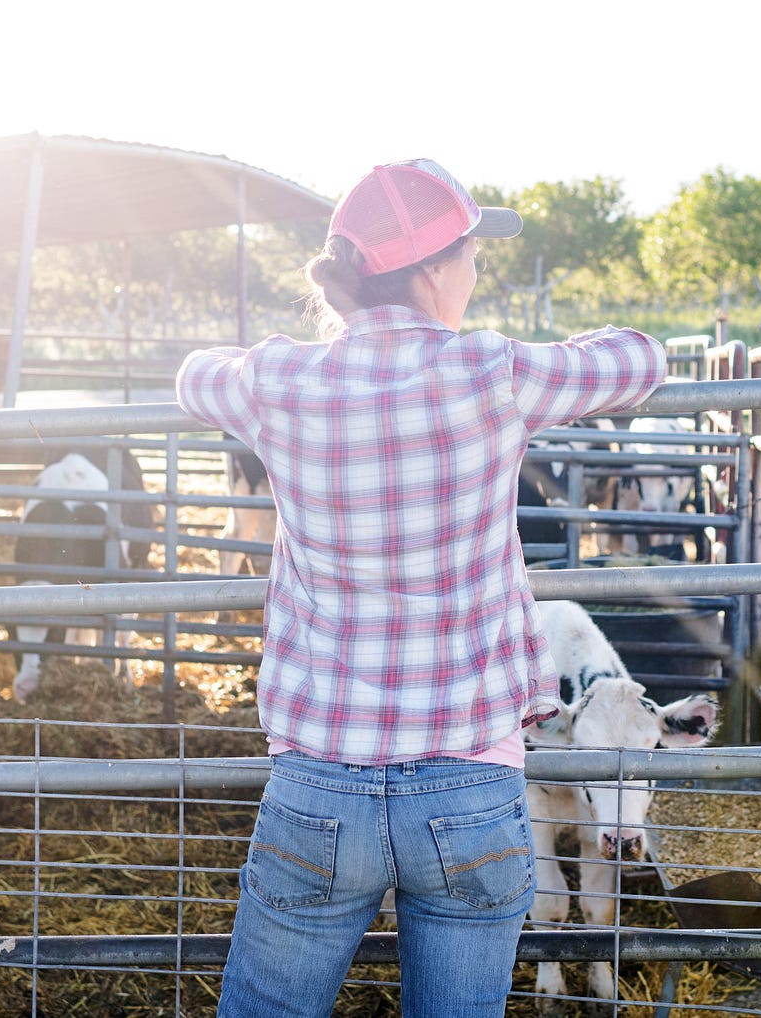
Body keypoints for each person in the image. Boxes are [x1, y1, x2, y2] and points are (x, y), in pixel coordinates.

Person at [176, 159, 666, 1018]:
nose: (476, 274)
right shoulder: (496, 370)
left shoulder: (281, 379)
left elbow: (193, 376)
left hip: (321, 779)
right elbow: (640, 359)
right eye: (472, 255)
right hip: (468, 780)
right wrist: (563, 349)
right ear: (434, 269)